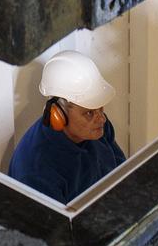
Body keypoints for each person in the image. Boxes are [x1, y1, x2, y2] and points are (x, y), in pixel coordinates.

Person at [8, 51, 125, 204]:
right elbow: (54, 227)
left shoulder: (97, 128)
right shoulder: (36, 172)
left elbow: (123, 176)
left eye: (100, 108)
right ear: (58, 114)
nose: (102, 118)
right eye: (89, 112)